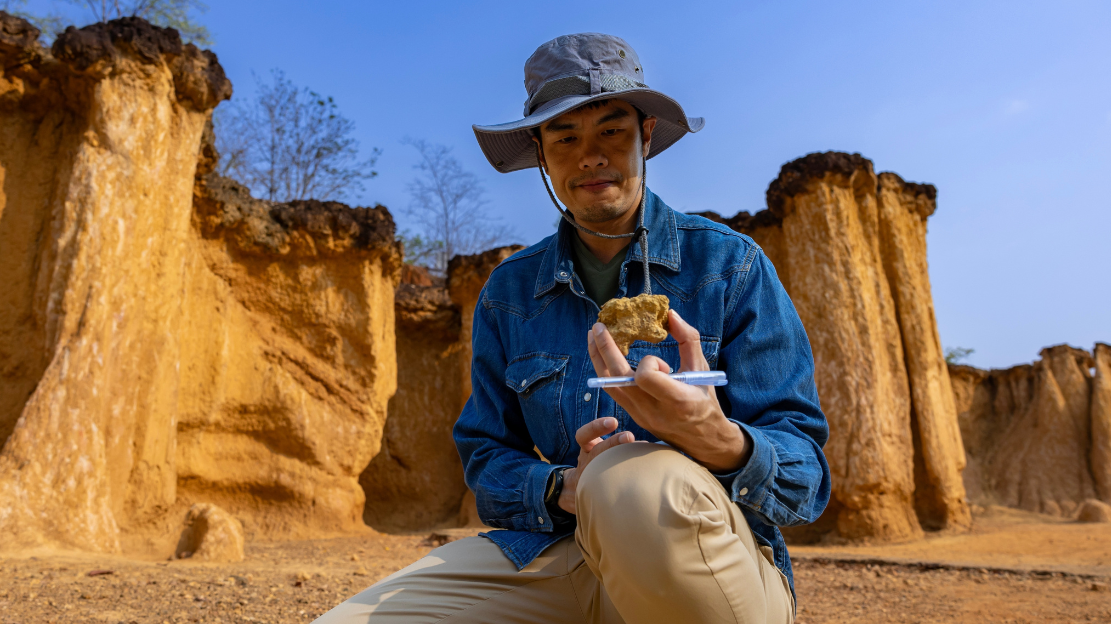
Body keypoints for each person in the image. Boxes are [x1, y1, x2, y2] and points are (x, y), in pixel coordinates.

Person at [314, 32, 830, 624]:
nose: (590, 155)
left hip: (716, 566)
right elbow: (486, 457)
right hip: (565, 553)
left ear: (646, 136)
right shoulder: (509, 295)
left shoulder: (730, 267)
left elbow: (805, 479)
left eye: (611, 130)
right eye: (565, 136)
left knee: (629, 481)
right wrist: (564, 486)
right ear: (540, 152)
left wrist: (713, 437)